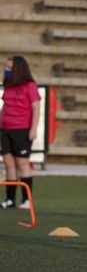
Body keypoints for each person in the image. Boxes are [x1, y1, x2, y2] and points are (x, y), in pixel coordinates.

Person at [0, 56, 40, 210]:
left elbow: (36, 107)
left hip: (22, 130)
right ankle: (10, 200)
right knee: (8, 164)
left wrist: (33, 128)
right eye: (6, 67)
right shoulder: (8, 86)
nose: (6, 70)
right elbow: (5, 107)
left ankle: (26, 200)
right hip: (5, 130)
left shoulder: (30, 86)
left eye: (9, 68)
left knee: (22, 163)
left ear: (18, 69)